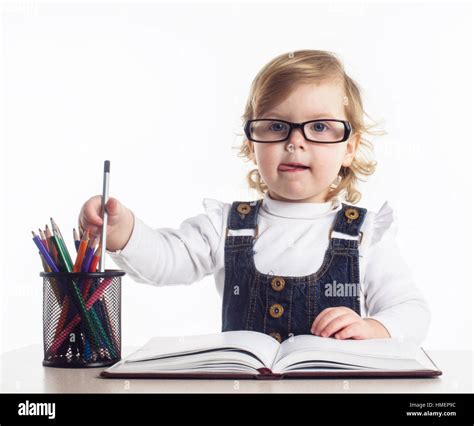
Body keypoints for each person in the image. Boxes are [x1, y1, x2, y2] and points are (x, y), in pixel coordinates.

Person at [78, 50, 430, 345]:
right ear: (251, 143)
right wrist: (123, 231)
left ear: (349, 148)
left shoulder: (366, 234)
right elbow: (168, 261)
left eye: (319, 127)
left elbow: (411, 310)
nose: (295, 142)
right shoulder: (227, 226)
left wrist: (376, 328)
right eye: (277, 126)